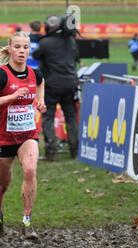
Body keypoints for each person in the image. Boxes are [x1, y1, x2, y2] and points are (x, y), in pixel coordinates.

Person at [0, 31, 47, 240]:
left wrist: (40, 101)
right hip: (3, 137)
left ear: (30, 49)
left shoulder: (35, 73)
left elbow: (40, 85)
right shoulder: (2, 74)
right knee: (2, 184)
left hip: (27, 135)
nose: (21, 51)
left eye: (25, 47)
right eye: (17, 47)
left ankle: (27, 222)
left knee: (30, 170)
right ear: (10, 48)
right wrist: (11, 97)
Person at [32, 15, 79, 160]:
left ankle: (51, 151)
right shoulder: (71, 41)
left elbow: (36, 55)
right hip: (70, 84)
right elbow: (76, 57)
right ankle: (74, 151)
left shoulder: (45, 42)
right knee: (71, 117)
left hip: (52, 86)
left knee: (48, 117)